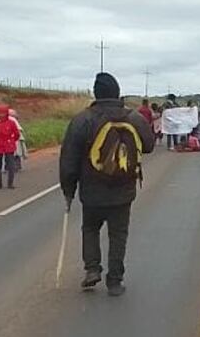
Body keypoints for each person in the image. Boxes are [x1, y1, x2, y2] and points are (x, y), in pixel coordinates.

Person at [59, 72, 154, 296]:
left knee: (90, 228)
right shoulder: (133, 118)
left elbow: (69, 160)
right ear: (117, 92)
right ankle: (115, 280)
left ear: (96, 93)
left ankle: (92, 269)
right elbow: (148, 145)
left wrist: (68, 190)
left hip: (91, 190)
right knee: (118, 234)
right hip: (124, 189)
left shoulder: (82, 119)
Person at [0, 104, 20, 189]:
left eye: (3, 113)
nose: (1, 115)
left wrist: (11, 141)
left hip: (8, 145)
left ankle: (10, 183)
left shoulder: (11, 122)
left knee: (10, 165)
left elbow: (17, 134)